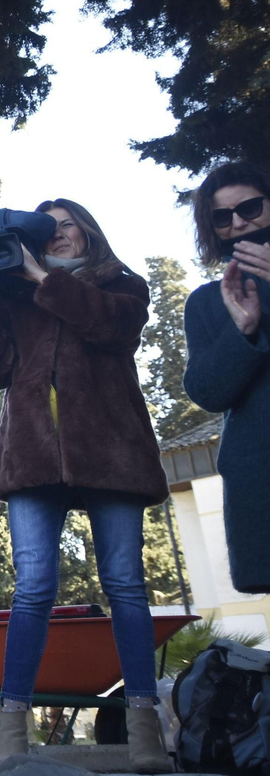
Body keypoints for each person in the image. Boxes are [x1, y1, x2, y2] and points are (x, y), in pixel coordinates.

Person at [0, 199, 169, 772]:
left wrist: (38, 275)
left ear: (87, 231)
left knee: (125, 583)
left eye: (64, 225)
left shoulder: (123, 285)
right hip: (32, 452)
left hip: (111, 449)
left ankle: (146, 732)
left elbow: (110, 328)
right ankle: (12, 734)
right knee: (32, 589)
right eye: (46, 230)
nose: (56, 236)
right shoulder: (17, 295)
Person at [183, 162, 270, 593]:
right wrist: (243, 332)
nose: (238, 222)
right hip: (260, 473)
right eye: (222, 216)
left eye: (250, 207)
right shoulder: (205, 303)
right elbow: (207, 391)